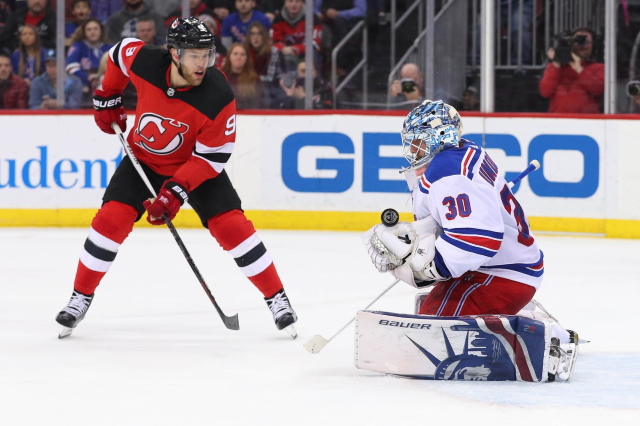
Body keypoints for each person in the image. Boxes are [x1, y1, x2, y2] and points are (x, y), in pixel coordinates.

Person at [54, 17, 298, 338]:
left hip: (195, 166)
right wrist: (108, 95)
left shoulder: (218, 94)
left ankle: (276, 297)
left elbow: (213, 156)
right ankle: (80, 296)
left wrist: (174, 193)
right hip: (143, 160)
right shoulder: (146, 61)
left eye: (207, 54)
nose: (202, 63)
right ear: (174, 53)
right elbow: (117, 54)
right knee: (110, 221)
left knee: (232, 227)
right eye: (194, 55)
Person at [365, 100, 543, 318]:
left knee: (432, 334)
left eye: (418, 141)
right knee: (429, 315)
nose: (412, 149)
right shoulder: (461, 152)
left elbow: (479, 240)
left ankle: (533, 330)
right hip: (497, 268)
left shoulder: (449, 171)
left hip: (501, 276)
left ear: (441, 136)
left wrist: (429, 268)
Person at [539, 28, 604, 114]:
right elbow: (545, 92)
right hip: (557, 121)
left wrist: (579, 69)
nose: (583, 46)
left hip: (587, 122)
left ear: (593, 45)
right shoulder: (555, 67)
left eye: (587, 42)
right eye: (579, 42)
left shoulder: (598, 68)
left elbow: (597, 89)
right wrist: (556, 64)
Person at [66, 17, 112, 100]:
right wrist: (87, 77)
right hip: (84, 84)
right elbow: (71, 68)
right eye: (89, 29)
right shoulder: (78, 46)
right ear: (84, 32)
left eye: (95, 29)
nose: (92, 32)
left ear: (101, 31)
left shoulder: (110, 48)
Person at [271, 0, 322, 72]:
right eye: (290, 1)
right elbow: (274, 41)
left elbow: (315, 43)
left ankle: (316, 81)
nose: (294, 4)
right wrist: (282, 48)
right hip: (286, 52)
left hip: (306, 53)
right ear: (285, 3)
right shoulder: (278, 19)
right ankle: (281, 81)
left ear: (302, 3)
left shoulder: (312, 17)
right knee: (277, 53)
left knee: (313, 54)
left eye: (297, 1)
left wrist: (295, 49)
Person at [221, 42, 265, 108]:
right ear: (229, 57)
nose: (238, 57)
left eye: (242, 54)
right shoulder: (221, 77)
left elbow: (260, 103)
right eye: (235, 54)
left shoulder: (254, 79)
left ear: (247, 58)